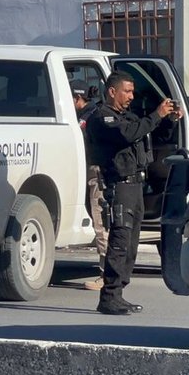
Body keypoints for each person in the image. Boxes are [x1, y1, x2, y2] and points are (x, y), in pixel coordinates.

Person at [86, 71, 180, 315]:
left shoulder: (128, 117)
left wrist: (169, 119)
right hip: (118, 185)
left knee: (130, 244)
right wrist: (156, 114)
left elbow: (153, 134)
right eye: (127, 91)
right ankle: (109, 296)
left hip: (136, 185)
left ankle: (118, 294)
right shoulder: (102, 118)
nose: (131, 96)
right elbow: (127, 134)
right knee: (120, 241)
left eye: (132, 92)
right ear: (112, 92)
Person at [72, 83, 106, 291]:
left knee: (101, 220)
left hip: (96, 171)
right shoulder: (90, 114)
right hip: (91, 170)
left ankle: (106, 276)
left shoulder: (90, 117)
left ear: (78, 98)